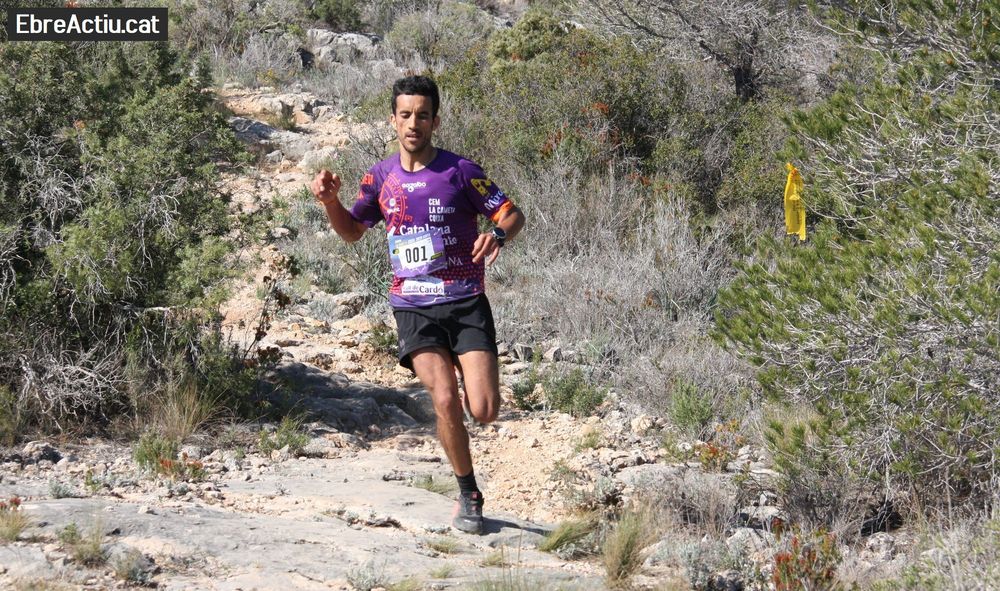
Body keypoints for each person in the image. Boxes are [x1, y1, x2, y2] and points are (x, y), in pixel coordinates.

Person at [310, 75, 525, 534]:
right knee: (443, 398)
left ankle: (469, 387)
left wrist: (497, 234)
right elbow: (352, 232)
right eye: (405, 115)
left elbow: (510, 213)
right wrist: (330, 202)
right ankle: (468, 494)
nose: (413, 124)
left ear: (435, 122)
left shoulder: (461, 171)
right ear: (393, 120)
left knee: (484, 410)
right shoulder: (379, 177)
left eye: (422, 116)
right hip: (413, 305)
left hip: (465, 301)